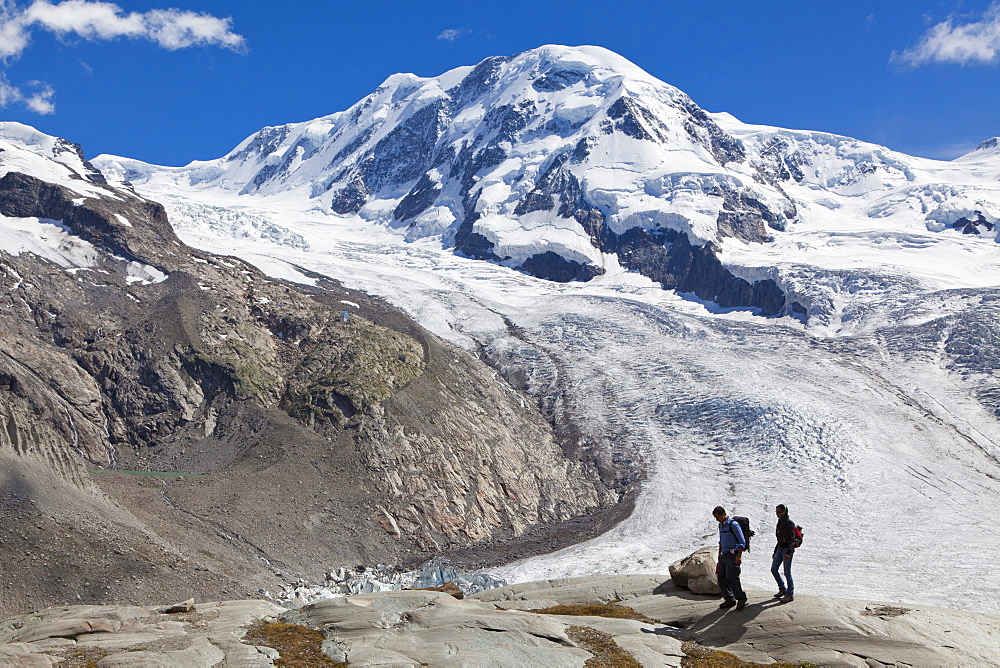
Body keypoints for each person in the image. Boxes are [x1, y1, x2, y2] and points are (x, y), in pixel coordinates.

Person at [713, 505, 746, 610]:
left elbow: (742, 541)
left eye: (717, 517)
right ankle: (729, 599)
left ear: (723, 514)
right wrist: (719, 553)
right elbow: (721, 540)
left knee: (732, 579)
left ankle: (741, 598)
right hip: (724, 555)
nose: (717, 520)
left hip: (733, 555)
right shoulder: (721, 525)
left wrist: (739, 556)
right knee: (721, 578)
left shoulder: (733, 525)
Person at [771, 504, 795, 601]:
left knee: (787, 572)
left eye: (779, 512)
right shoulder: (780, 522)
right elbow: (779, 538)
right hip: (780, 548)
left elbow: (792, 539)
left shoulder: (789, 523)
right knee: (774, 569)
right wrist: (775, 550)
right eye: (776, 512)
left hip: (786, 550)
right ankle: (782, 589)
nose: (777, 514)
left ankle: (790, 594)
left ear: (784, 512)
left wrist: (789, 552)